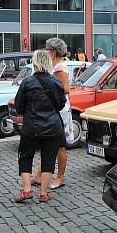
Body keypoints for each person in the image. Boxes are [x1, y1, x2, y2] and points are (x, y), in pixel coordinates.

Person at [13, 50, 66, 203]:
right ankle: (43, 193)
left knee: (25, 157)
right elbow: (61, 105)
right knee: (48, 159)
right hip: (52, 127)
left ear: (34, 63)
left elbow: (19, 106)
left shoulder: (27, 82)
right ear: (49, 63)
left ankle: (27, 190)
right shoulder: (56, 82)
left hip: (31, 127)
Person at [38, 38, 71, 190]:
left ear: (53, 52)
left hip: (60, 111)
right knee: (49, 144)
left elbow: (66, 89)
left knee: (59, 146)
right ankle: (39, 175)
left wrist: (48, 90)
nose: (45, 51)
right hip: (53, 110)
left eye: (47, 49)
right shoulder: (53, 66)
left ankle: (60, 177)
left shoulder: (59, 68)